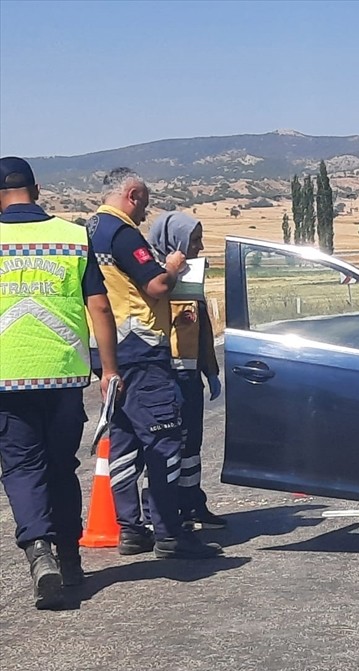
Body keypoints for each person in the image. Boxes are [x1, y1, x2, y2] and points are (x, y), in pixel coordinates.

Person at [0, 156, 121, 608]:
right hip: (65, 374)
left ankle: (39, 551)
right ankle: (70, 558)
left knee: (21, 468)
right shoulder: (73, 237)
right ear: (37, 189)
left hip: (7, 377)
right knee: (60, 465)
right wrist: (109, 369)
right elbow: (101, 307)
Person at [85, 168, 221, 559]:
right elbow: (156, 285)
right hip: (141, 349)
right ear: (132, 194)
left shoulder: (87, 229)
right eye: (143, 202)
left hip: (107, 351)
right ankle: (170, 532)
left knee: (125, 440)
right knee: (165, 440)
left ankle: (131, 529)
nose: (145, 213)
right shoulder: (123, 233)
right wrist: (174, 267)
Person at [148, 212, 226, 531]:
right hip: (165, 375)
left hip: (189, 376)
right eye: (194, 240)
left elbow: (202, 326)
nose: (199, 246)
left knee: (191, 446)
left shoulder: (191, 276)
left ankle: (192, 503)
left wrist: (210, 370)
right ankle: (162, 512)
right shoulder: (151, 275)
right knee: (168, 447)